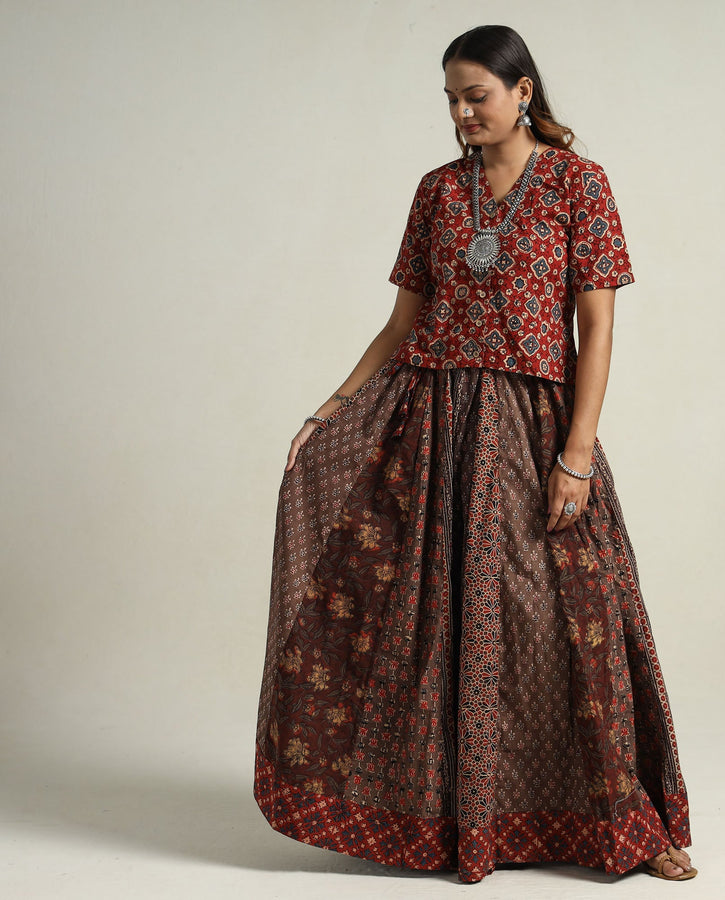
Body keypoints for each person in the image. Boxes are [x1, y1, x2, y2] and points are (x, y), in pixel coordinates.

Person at [253, 24, 697, 885]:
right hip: (433, 427)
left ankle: (630, 820)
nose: (462, 113)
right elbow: (402, 324)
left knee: (578, 619)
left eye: (477, 95)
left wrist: (577, 453)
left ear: (522, 91)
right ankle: (457, 820)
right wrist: (330, 410)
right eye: (452, 99)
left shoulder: (579, 184)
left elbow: (597, 327)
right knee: (429, 623)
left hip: (535, 427)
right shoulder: (437, 192)